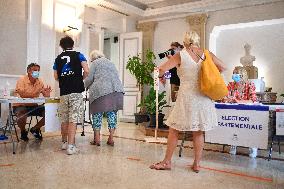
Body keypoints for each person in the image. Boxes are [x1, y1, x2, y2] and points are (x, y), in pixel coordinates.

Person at [150, 31, 226, 172]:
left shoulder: (181, 55)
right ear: (197, 41)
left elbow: (161, 70)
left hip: (186, 97)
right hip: (203, 96)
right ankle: (197, 164)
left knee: (174, 130)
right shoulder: (206, 54)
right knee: (198, 131)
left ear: (185, 42)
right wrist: (208, 74)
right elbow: (223, 67)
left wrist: (158, 73)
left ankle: (167, 162)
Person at [53, 36, 89, 155]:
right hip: (76, 91)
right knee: (73, 119)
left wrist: (65, 81)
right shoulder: (79, 55)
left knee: (64, 118)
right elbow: (87, 70)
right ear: (73, 45)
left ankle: (64, 143)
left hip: (63, 92)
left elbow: (56, 77)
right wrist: (80, 79)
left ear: (61, 46)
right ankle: (71, 146)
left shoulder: (57, 59)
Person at [84, 50, 124, 146]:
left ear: (92, 58)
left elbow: (89, 79)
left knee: (97, 114)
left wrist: (83, 86)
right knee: (112, 115)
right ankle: (111, 138)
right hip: (117, 91)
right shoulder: (111, 63)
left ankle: (97, 140)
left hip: (101, 92)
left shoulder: (95, 63)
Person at [223, 67, 258, 158]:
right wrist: (228, 99)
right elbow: (225, 98)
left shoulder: (250, 85)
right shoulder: (231, 85)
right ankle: (233, 143)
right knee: (232, 126)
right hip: (234, 111)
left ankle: (252, 145)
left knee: (249, 128)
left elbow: (252, 100)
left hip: (248, 112)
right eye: (233, 73)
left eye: (236, 73)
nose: (233, 75)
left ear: (242, 75)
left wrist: (238, 101)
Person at [13, 63, 52, 141]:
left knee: (49, 112)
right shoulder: (22, 80)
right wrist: (35, 94)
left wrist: (47, 94)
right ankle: (23, 131)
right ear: (28, 71)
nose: (37, 72)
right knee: (21, 114)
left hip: (33, 106)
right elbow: (22, 94)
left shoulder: (39, 81)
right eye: (35, 70)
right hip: (20, 105)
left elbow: (45, 95)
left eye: (38, 70)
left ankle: (35, 129)